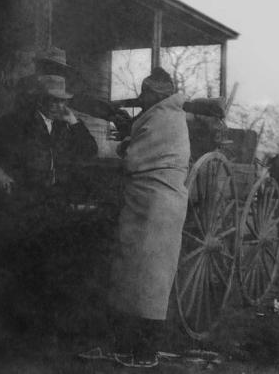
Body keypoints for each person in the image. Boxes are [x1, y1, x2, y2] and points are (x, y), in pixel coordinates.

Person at [108, 67, 190, 368]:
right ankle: (131, 347)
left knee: (150, 280)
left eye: (145, 93)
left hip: (157, 204)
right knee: (136, 277)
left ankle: (146, 353)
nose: (141, 98)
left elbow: (134, 159)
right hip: (149, 203)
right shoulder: (164, 115)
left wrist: (123, 144)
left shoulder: (165, 117)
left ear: (156, 95)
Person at [0, 74, 97, 204]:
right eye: (54, 101)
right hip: (22, 194)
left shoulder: (64, 124)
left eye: (63, 101)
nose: (60, 106)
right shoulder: (18, 120)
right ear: (40, 100)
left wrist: (74, 122)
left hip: (53, 195)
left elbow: (90, 151)